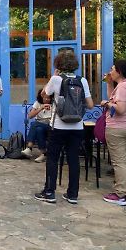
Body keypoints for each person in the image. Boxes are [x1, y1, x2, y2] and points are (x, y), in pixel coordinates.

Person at [34, 50, 93, 205]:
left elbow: (44, 95)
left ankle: (49, 192)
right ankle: (72, 194)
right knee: (73, 159)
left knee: (52, 158)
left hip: (58, 125)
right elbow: (91, 105)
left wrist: (53, 77)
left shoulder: (56, 79)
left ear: (58, 64)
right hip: (77, 126)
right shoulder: (83, 80)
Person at [101, 60, 126, 206]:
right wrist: (109, 83)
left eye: (112, 69)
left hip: (118, 128)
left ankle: (120, 194)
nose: (110, 72)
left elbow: (120, 108)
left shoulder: (123, 87)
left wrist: (106, 104)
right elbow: (115, 99)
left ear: (119, 71)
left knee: (119, 162)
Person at [21, 90, 52, 163]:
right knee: (39, 130)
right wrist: (41, 108)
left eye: (49, 98)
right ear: (41, 97)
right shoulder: (37, 103)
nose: (47, 99)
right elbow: (30, 116)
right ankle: (44, 154)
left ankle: (29, 147)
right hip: (40, 126)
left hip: (50, 127)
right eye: (45, 98)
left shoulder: (54, 104)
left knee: (34, 124)